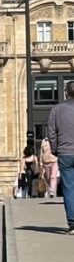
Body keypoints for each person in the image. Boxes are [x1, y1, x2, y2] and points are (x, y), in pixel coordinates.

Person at [47, 80, 74, 234]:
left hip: (65, 152)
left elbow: (51, 132)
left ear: (66, 92)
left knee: (69, 188)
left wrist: (55, 148)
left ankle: (72, 223)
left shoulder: (56, 110)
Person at [41, 134, 59, 199]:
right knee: (48, 177)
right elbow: (41, 152)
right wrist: (41, 163)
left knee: (53, 176)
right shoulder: (44, 141)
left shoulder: (56, 140)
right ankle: (52, 189)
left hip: (54, 160)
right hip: (46, 161)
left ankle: (52, 191)